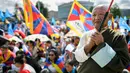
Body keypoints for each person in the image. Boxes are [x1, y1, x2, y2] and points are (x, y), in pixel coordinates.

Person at [73, 5, 130, 73]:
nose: (97, 18)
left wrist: (101, 45)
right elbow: (78, 59)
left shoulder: (117, 37)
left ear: (109, 16)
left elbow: (121, 65)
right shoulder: (86, 35)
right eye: (94, 15)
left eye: (101, 14)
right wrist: (88, 46)